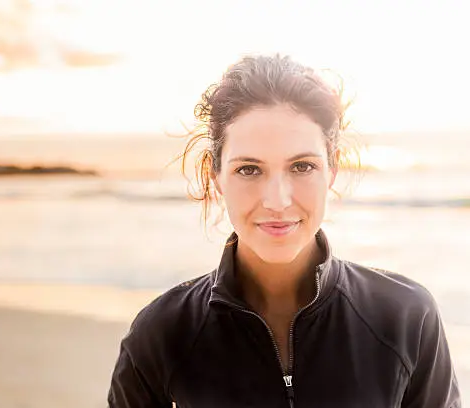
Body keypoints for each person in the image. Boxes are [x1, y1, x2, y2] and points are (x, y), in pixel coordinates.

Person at [107, 54, 461, 407]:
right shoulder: (162, 334)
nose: (277, 200)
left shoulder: (406, 317)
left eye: (302, 166)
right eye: (249, 169)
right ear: (217, 178)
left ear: (332, 172)